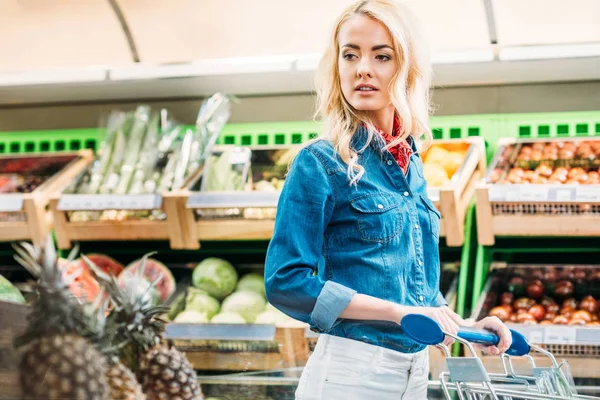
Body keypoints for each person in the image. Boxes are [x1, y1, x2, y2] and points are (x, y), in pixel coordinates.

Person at [264, 1, 512, 399]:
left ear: (407, 69)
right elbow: (285, 282)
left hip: (413, 373)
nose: (363, 68)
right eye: (351, 54)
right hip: (350, 372)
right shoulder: (319, 162)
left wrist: (468, 328)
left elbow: (415, 288)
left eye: (381, 56)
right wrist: (398, 314)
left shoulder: (410, 160)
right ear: (337, 66)